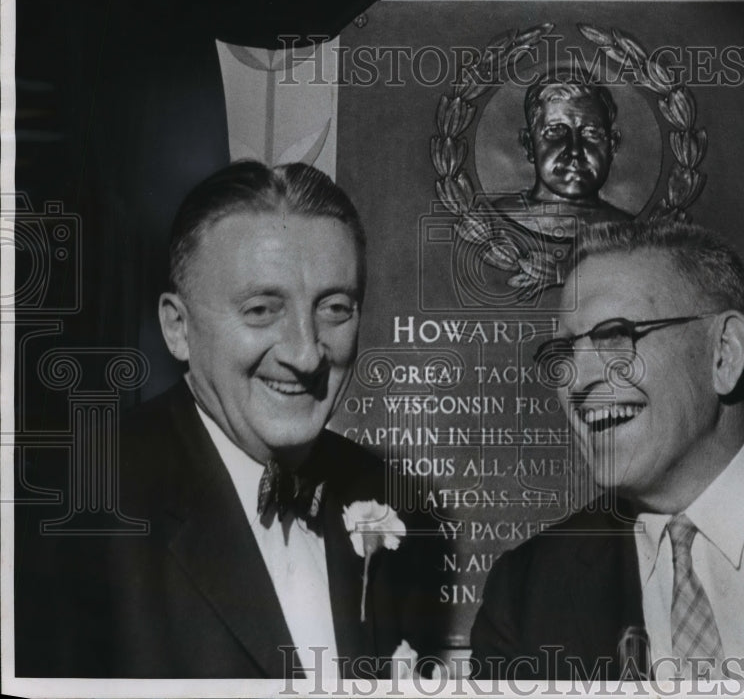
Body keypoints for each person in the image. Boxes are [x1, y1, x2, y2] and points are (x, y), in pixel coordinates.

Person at [18, 161, 445, 678]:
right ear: (178, 328)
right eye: (262, 310)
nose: (306, 354)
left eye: (334, 308)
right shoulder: (78, 511)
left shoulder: (388, 499)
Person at [470, 219, 744, 681]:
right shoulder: (526, 593)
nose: (577, 382)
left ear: (724, 353)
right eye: (564, 353)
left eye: (616, 336)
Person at [491, 76, 632, 237]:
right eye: (555, 131)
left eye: (591, 133)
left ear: (612, 146)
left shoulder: (631, 228)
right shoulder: (492, 218)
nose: (575, 151)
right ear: (529, 145)